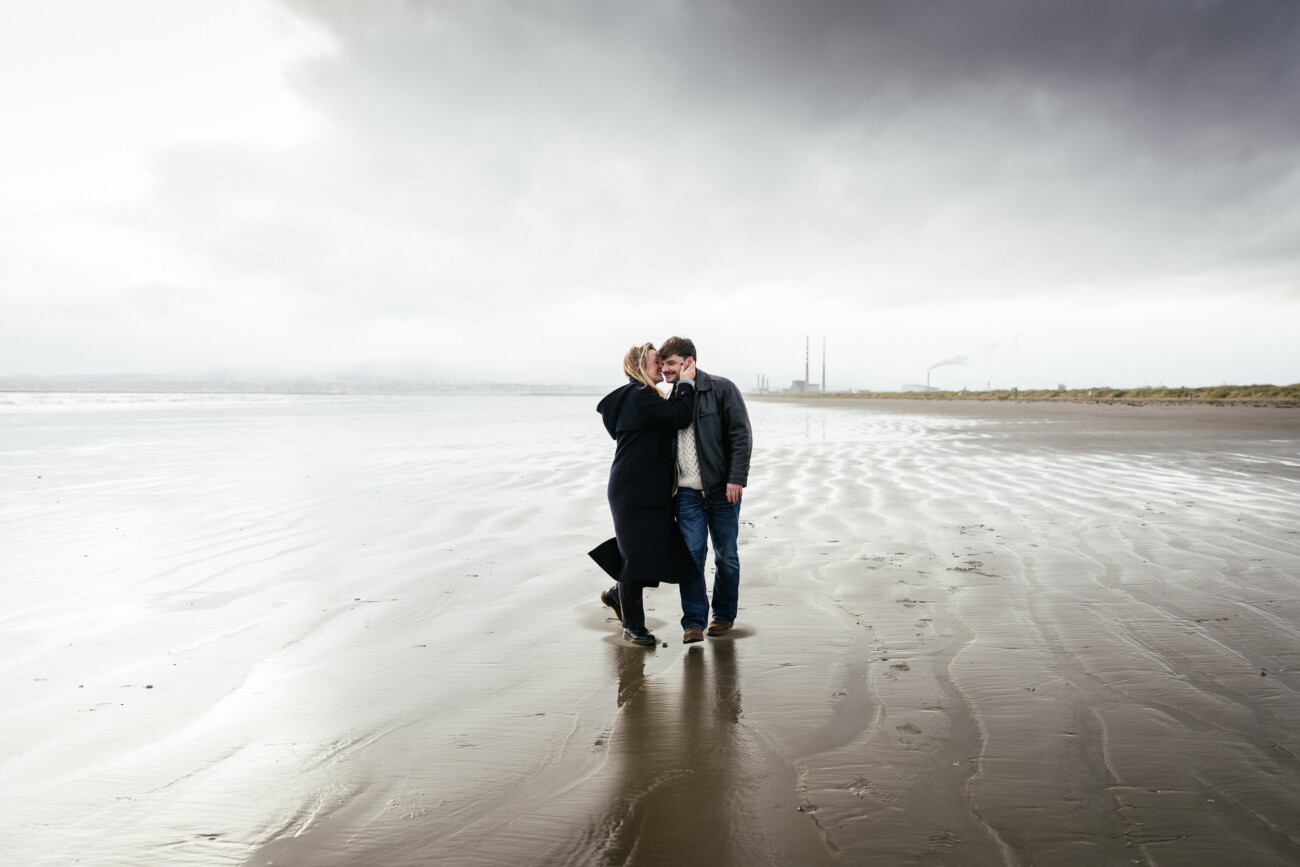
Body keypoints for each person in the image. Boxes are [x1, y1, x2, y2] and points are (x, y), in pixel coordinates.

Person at [589, 343, 708, 646]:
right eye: (657, 362)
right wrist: (686, 383)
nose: (662, 367)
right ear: (642, 365)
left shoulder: (644, 396)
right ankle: (634, 626)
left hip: (646, 488)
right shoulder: (640, 395)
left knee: (648, 548)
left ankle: (618, 595)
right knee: (635, 554)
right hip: (633, 489)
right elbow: (679, 416)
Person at [658, 336, 752, 636]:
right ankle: (694, 623)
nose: (665, 370)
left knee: (726, 556)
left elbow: (741, 434)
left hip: (722, 490)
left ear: (689, 362)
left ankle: (723, 616)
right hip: (685, 493)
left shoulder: (722, 388)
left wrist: (736, 477)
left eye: (671, 363)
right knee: (692, 556)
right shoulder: (670, 398)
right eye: (662, 364)